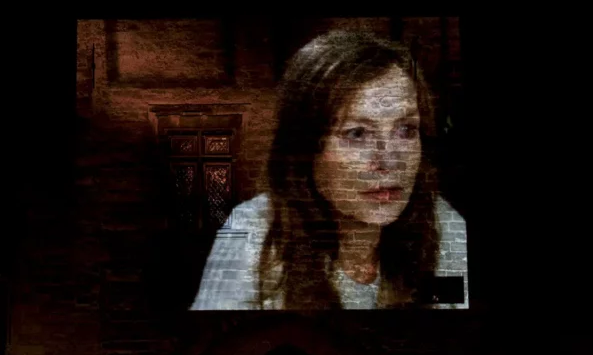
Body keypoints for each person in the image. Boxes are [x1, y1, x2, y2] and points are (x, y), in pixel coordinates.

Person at [190, 30, 468, 311]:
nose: (390, 160)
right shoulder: (252, 232)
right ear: (306, 148)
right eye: (357, 133)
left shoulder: (442, 224)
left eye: (406, 130)